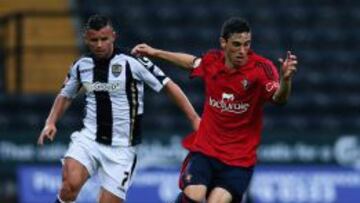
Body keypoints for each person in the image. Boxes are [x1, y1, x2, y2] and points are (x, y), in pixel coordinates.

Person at [132, 17, 298, 203]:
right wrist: (155, 52)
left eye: (247, 44)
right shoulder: (212, 61)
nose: (242, 51)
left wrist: (286, 80)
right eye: (236, 44)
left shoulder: (262, 68)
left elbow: (279, 99)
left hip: (239, 160)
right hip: (206, 151)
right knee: (193, 195)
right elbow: (191, 62)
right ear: (223, 43)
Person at [37, 14, 200, 203]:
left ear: (113, 36)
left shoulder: (133, 62)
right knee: (69, 186)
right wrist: (51, 122)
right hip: (89, 139)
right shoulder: (81, 66)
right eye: (94, 40)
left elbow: (168, 86)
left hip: (122, 148)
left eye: (104, 39)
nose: (99, 45)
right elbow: (65, 95)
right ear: (86, 39)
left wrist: (194, 118)